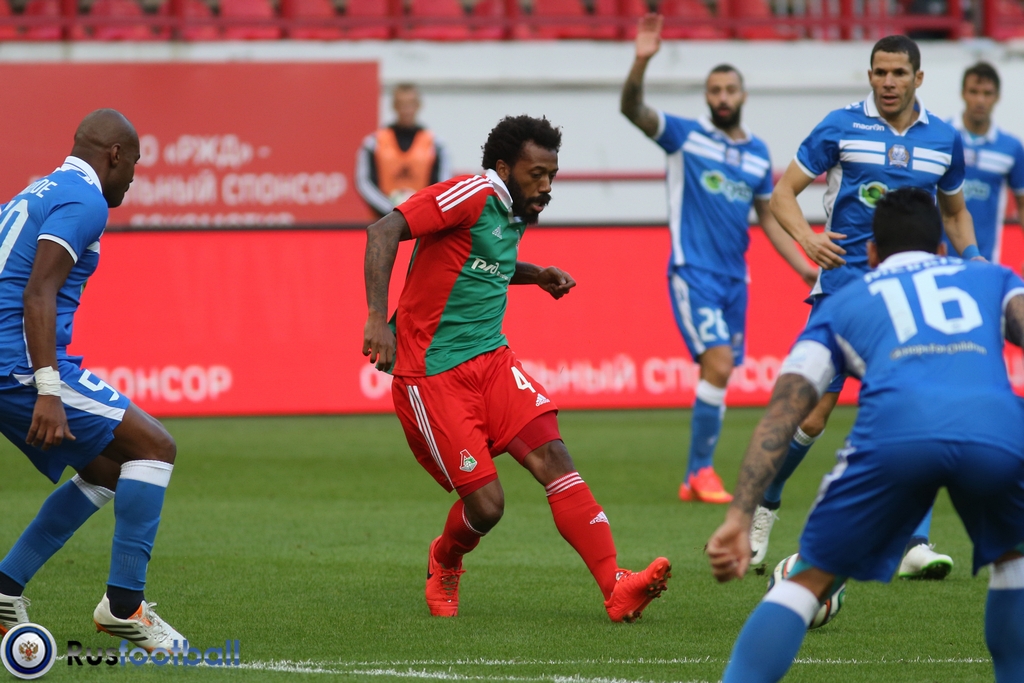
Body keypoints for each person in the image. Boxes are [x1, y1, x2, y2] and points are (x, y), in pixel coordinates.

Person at [707, 187, 1024, 683]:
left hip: (896, 437)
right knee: (1014, 563)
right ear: (942, 250)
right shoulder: (993, 278)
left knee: (808, 579)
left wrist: (739, 515)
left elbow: (784, 412)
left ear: (871, 253)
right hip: (997, 431)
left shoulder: (845, 304)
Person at [362, 115, 671, 622]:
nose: (546, 186)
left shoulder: (514, 210)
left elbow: (482, 264)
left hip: (493, 361)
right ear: (504, 168)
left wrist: (536, 275)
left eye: (552, 175)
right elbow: (382, 230)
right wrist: (378, 318)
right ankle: (445, 559)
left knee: (554, 456)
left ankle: (616, 586)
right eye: (536, 174)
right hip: (433, 374)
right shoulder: (467, 195)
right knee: (487, 507)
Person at [751, 35, 982, 572]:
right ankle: (767, 501)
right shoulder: (841, 126)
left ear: (918, 78)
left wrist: (974, 260)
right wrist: (807, 239)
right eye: (880, 72)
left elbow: (954, 213)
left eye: (899, 73)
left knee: (919, 409)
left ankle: (914, 542)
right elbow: (783, 193)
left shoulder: (944, 139)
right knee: (812, 416)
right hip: (845, 290)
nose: (888, 82)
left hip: (911, 294)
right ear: (870, 75)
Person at [0, 109, 185, 651]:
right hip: (19, 364)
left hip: (6, 361)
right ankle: (125, 608)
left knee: (106, 468)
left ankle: (4, 589)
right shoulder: (85, 200)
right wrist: (48, 388)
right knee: (155, 447)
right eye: (135, 164)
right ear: (114, 155)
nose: (134, 177)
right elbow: (38, 291)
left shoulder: (34, 192)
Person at [620, 14, 818, 505]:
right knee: (720, 364)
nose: (723, 97)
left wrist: (803, 265)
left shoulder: (757, 154)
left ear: (743, 95)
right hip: (694, 272)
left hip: (735, 281)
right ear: (707, 97)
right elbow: (632, 109)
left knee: (721, 371)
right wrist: (641, 62)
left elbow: (768, 216)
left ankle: (694, 478)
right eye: (715, 90)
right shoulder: (685, 136)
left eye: (730, 89)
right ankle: (700, 472)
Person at [901, 62, 1024, 574]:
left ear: (995, 96)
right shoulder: (940, 140)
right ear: (964, 92)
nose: (979, 98)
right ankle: (916, 538)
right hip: (936, 283)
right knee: (938, 400)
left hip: (982, 284)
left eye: (987, 91)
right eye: (973, 90)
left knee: (972, 401)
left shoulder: (1011, 150)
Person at [356, 83, 451, 219]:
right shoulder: (373, 143)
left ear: (418, 105)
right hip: (383, 220)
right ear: (394, 106)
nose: (406, 110)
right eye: (401, 104)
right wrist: (392, 210)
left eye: (410, 104)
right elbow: (364, 182)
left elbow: (442, 184)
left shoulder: (436, 145)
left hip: (423, 219)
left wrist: (419, 208)